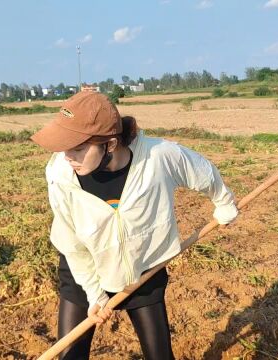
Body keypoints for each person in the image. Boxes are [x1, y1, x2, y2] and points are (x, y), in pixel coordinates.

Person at [30, 91, 239, 360]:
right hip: (84, 272)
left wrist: (223, 203)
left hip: (142, 270)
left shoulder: (158, 157)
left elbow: (202, 171)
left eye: (79, 148)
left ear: (110, 144)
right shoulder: (60, 174)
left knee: (159, 356)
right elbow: (72, 244)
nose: (68, 156)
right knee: (70, 356)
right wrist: (95, 294)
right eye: (64, 146)